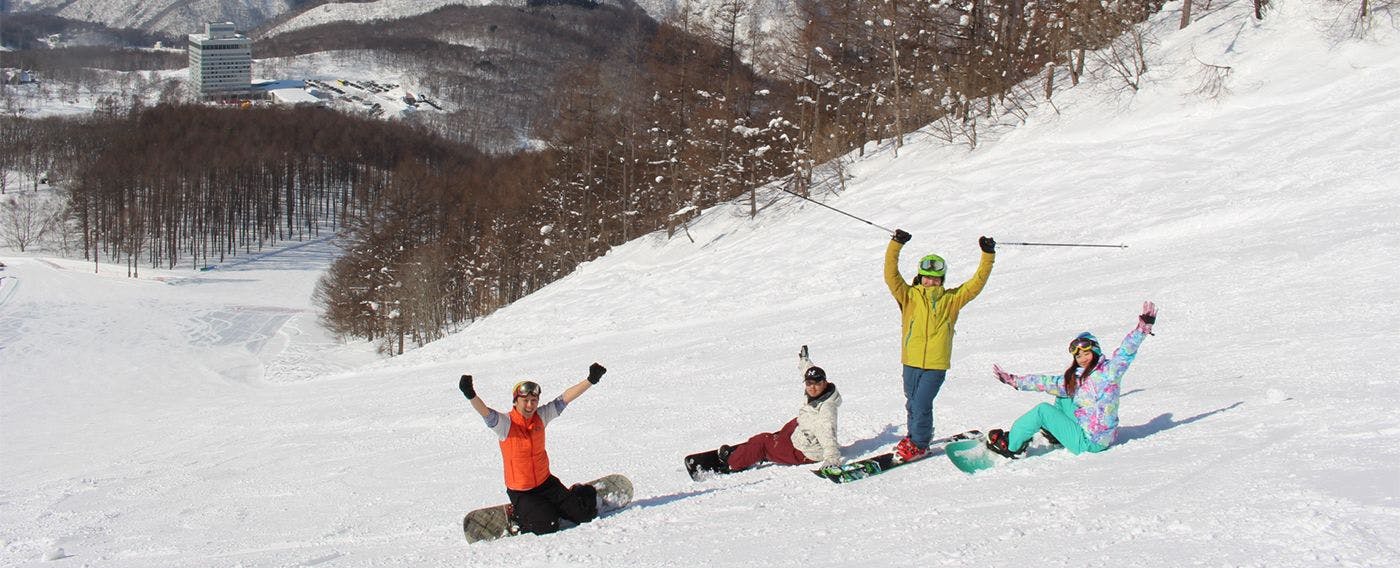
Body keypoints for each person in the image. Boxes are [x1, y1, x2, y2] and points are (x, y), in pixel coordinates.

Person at [985, 302, 1158, 458]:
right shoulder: (1076, 379)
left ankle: (1011, 446)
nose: (1082, 358)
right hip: (1100, 434)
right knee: (1062, 393)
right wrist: (1015, 381)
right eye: (1078, 355)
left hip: (1090, 442)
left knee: (1042, 411)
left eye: (1086, 353)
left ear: (1096, 352)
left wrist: (1142, 329)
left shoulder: (1110, 371)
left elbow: (1125, 352)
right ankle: (1056, 433)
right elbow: (1047, 382)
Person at [884, 229, 996, 462]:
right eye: (927, 276)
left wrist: (987, 255)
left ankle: (920, 444)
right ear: (920, 276)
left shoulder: (951, 300)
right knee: (912, 403)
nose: (931, 281)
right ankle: (914, 435)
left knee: (922, 403)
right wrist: (896, 244)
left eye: (935, 278)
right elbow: (891, 276)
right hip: (910, 361)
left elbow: (976, 284)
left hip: (936, 364)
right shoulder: (909, 296)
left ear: (942, 279)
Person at [458, 362, 607, 535]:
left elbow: (565, 398)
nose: (530, 405)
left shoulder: (541, 416)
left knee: (585, 515)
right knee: (547, 525)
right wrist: (470, 394)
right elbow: (485, 412)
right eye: (525, 400)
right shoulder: (505, 424)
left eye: (534, 400)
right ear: (516, 401)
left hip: (546, 483)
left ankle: (572, 495)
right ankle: (518, 515)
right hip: (522, 492)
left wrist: (590, 380)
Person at [718, 348, 844, 471]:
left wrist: (832, 458)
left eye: (817, 383)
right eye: (809, 383)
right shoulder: (821, 393)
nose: (812, 387)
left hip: (805, 451)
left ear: (825, 383)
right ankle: (770, 447)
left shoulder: (826, 410)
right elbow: (807, 371)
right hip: (805, 436)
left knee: (763, 441)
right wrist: (804, 360)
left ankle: (732, 462)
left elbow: (828, 433)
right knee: (792, 424)